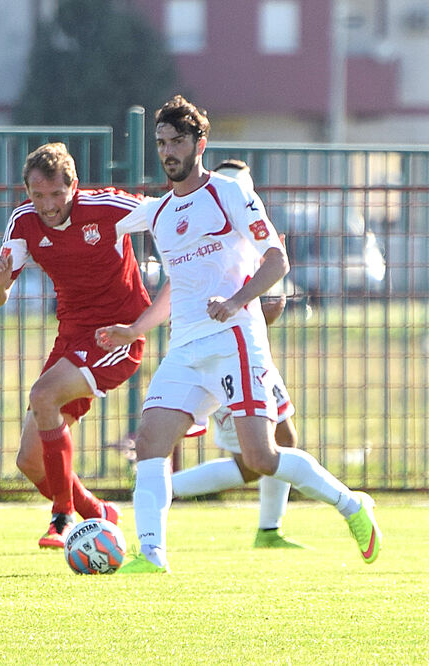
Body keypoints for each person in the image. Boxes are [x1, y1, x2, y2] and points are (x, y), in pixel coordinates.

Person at [96, 95, 381, 574]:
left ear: (200, 144)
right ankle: (152, 555)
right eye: (161, 143)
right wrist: (136, 328)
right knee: (149, 442)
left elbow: (277, 260)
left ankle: (352, 505)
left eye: (177, 142)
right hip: (185, 349)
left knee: (261, 458)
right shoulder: (159, 212)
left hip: (234, 342)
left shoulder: (229, 193)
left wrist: (235, 301)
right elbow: (174, 283)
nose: (168, 152)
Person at [0, 142, 150, 549]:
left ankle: (62, 517)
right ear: (27, 191)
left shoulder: (108, 208)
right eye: (38, 195)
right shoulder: (24, 221)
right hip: (72, 338)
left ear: (73, 186)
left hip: (116, 335)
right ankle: (100, 514)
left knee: (43, 395)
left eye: (56, 194)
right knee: (29, 460)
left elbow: (169, 213)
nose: (47, 205)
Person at [169, 159, 305, 549]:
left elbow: (265, 287)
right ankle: (157, 489)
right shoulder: (208, 236)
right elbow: (211, 307)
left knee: (283, 438)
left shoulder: (251, 230)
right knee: (252, 462)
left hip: (254, 354)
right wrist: (256, 309)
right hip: (223, 357)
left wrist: (266, 309)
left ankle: (270, 530)